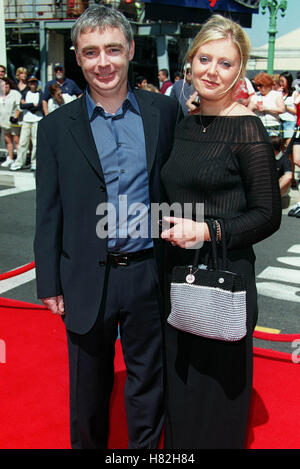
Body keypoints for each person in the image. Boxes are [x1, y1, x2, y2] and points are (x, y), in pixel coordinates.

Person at [34, 5, 179, 449]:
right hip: (84, 277)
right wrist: (48, 282)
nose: (104, 62)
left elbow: (177, 186)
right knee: (88, 391)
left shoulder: (163, 113)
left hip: (148, 272)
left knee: (148, 387)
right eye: (91, 52)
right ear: (77, 57)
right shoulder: (55, 127)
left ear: (130, 50)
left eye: (113, 49)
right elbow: (49, 209)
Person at [160, 14, 281, 449]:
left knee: (216, 392)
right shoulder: (186, 123)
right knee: (181, 384)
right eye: (204, 58)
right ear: (190, 62)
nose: (212, 71)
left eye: (225, 63)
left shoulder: (247, 129)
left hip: (225, 277)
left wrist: (207, 230)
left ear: (240, 70)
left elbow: (268, 215)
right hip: (176, 272)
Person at [10, 76, 43, 171]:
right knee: (23, 142)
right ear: (28, 84)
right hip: (26, 120)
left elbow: (39, 106)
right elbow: (21, 105)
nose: (33, 84)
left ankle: (35, 162)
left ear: (37, 84)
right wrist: (32, 104)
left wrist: (28, 105)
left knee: (36, 143)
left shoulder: (40, 93)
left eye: (34, 82)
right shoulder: (25, 93)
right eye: (31, 83)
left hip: (37, 120)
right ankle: (20, 162)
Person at [248, 72, 285, 136]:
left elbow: (282, 109)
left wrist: (267, 108)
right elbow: (247, 112)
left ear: (267, 85)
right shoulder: (255, 96)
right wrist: (253, 107)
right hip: (258, 126)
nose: (258, 88)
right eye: (257, 85)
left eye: (261, 85)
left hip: (273, 125)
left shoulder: (276, 95)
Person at [0, 78, 22, 168]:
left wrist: (15, 117)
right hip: (3, 121)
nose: (5, 86)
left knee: (17, 141)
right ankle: (10, 158)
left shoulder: (15, 93)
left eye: (7, 84)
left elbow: (19, 106)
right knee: (8, 141)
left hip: (14, 121)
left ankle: (19, 159)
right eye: (3, 84)